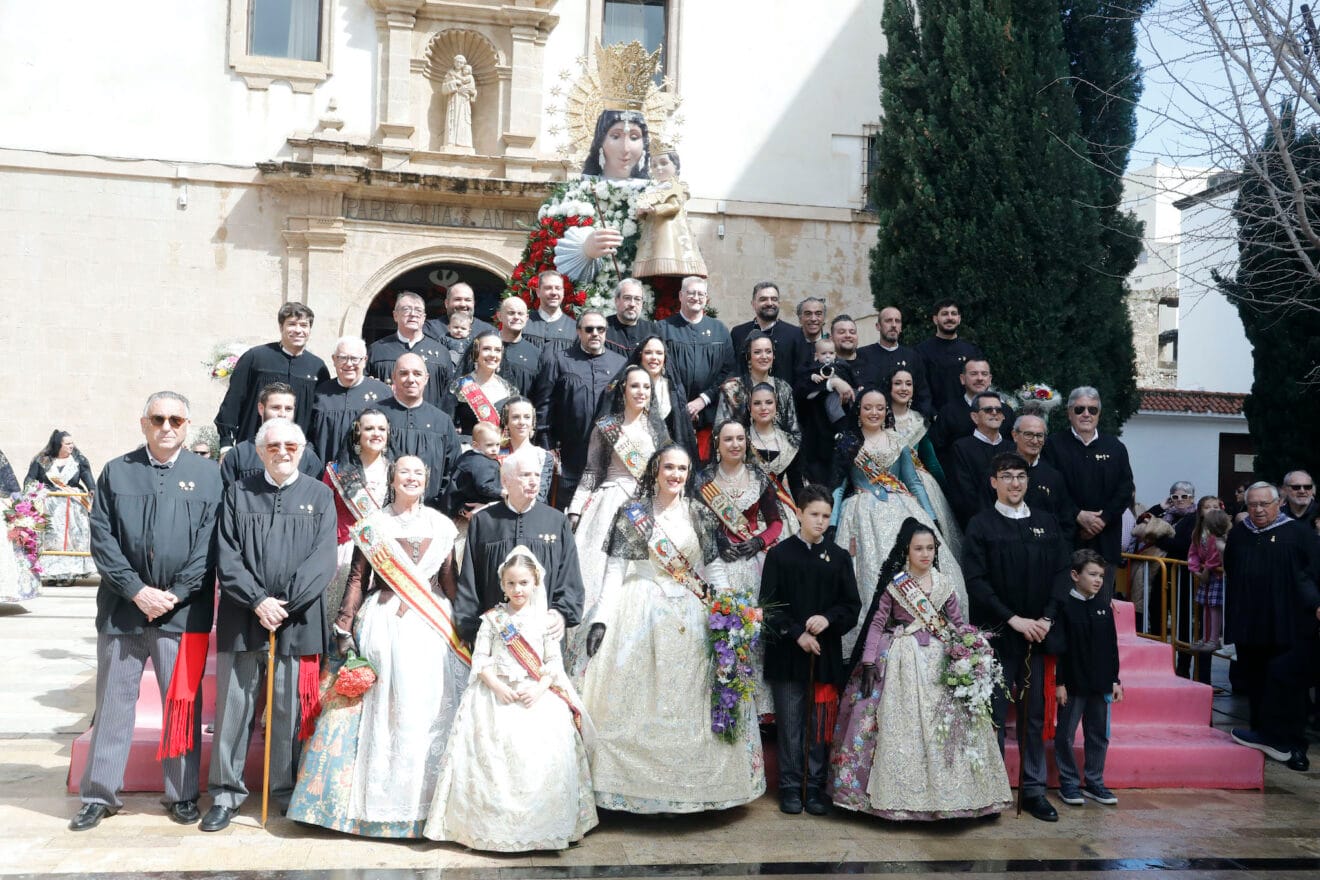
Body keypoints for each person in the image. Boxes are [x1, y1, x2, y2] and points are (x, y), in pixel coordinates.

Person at [288, 455, 468, 838]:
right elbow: (358, 577)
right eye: (404, 471)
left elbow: (450, 580)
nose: (412, 477)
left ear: (428, 479)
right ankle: (378, 806)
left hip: (433, 623)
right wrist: (344, 623)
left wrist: (466, 624)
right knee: (387, 708)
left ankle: (431, 806)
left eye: (419, 472)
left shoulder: (440, 524)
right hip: (385, 623)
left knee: (431, 706)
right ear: (392, 477)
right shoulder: (374, 526)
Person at [581, 444, 766, 812]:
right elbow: (616, 570)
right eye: (669, 467)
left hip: (690, 612)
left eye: (682, 468)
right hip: (640, 608)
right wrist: (601, 617)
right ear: (656, 470)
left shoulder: (699, 512)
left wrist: (730, 610)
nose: (676, 475)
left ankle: (698, 789)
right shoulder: (633, 513)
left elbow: (714, 572)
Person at [69, 392, 222, 832]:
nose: (166, 426)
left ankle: (182, 794)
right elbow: (102, 540)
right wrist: (137, 590)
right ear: (143, 423)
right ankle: (99, 795)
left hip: (184, 615)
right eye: (158, 418)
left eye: (175, 419)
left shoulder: (209, 476)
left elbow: (209, 546)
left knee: (182, 707)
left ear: (187, 424)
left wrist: (173, 593)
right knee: (114, 705)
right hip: (122, 612)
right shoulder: (117, 471)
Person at [203, 418, 337, 832]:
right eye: (273, 446)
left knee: (287, 710)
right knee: (234, 709)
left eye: (291, 446)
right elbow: (227, 554)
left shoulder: (319, 496)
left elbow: (323, 559)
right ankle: (225, 795)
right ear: (259, 451)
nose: (283, 452)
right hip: (244, 618)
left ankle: (284, 792)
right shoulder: (238, 493)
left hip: (296, 621)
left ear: (302, 451)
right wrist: (259, 600)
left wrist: (286, 603)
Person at [830, 518, 1011, 821]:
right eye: (918, 549)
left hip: (939, 660)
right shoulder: (897, 584)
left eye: (930, 548)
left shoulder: (943, 584)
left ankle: (961, 797)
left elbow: (956, 623)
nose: (925, 554)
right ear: (908, 551)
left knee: (947, 727)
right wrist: (869, 660)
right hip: (902, 658)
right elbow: (877, 623)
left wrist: (973, 650)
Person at [424, 547, 597, 851]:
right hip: (495, 696)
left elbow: (554, 664)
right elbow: (480, 660)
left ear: (535, 583)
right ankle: (487, 830)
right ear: (502, 585)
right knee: (493, 762)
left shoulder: (544, 621)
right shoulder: (492, 620)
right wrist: (496, 686)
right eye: (511, 583)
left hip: (535, 696)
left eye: (524, 583)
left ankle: (542, 829)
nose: (518, 590)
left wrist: (540, 687)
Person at [962, 452, 1072, 822]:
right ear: (993, 481)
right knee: (992, 715)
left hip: (1038, 636)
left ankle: (1035, 790)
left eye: (1020, 476)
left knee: (1035, 717)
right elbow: (976, 583)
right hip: (997, 638)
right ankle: (989, 791)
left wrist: (1046, 617)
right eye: (1006, 476)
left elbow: (1061, 572)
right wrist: (1013, 619)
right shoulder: (981, 525)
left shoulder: (1046, 522)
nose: (1015, 483)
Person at [831, 388, 966, 656]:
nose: (874, 412)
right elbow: (838, 485)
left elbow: (913, 482)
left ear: (886, 411)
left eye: (879, 408)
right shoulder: (847, 442)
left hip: (903, 511)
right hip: (861, 513)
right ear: (858, 410)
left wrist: (933, 518)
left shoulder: (897, 440)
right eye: (868, 407)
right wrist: (832, 524)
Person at [563, 365, 668, 680]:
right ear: (623, 390)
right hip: (608, 504)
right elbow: (592, 471)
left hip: (645, 510)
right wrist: (575, 510)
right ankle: (582, 666)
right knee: (597, 579)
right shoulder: (606, 427)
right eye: (634, 386)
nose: (640, 392)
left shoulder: (658, 431)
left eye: (646, 387)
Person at [761, 485, 860, 815]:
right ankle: (790, 786)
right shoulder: (779, 555)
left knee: (819, 725)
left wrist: (827, 618)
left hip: (824, 656)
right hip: (788, 655)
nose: (820, 521)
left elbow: (851, 606)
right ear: (799, 514)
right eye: (814, 514)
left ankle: (814, 786)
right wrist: (796, 632)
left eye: (826, 516)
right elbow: (769, 607)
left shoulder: (839, 558)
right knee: (790, 724)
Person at [1226, 482, 1320, 771]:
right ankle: (1263, 737)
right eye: (1252, 504)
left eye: (1264, 504)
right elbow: (1231, 567)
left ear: (1278, 503)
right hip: (1252, 625)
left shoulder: (1298, 533)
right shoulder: (1241, 533)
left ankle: (1292, 745)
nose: (1258, 510)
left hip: (1290, 624)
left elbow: (1312, 573)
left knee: (1288, 683)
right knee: (1256, 681)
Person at [696, 420, 786, 715]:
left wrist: (759, 543)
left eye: (740, 439)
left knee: (751, 629)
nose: (735, 444)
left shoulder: (759, 478)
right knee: (717, 631)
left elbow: (776, 522)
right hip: (714, 563)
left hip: (750, 565)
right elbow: (694, 518)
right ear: (717, 445)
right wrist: (716, 539)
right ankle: (721, 697)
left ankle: (755, 707)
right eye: (728, 439)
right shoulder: (703, 479)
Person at [453, 448, 584, 645]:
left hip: (543, 637)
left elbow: (569, 577)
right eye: (525, 475)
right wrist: (470, 629)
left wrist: (561, 613)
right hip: (494, 637)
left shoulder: (557, 522)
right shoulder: (484, 522)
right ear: (505, 481)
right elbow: (470, 581)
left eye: (537, 475)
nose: (533, 481)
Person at [530, 310, 626, 509]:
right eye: (589, 329)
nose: (595, 333)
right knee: (565, 509)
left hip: (608, 456)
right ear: (578, 332)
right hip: (569, 455)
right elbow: (544, 406)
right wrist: (547, 446)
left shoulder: (619, 363)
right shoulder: (559, 360)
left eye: (600, 329)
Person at [1042, 387, 1135, 589]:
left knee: (1100, 606)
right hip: (1066, 541)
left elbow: (1125, 488)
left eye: (1092, 410)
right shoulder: (1053, 445)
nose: (1086, 414)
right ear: (1069, 413)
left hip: (1105, 542)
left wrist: (1103, 519)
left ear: (1099, 414)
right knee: (1064, 603)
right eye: (1080, 409)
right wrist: (1077, 515)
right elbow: (1050, 488)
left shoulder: (1115, 447)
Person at [1054, 550, 1123, 808]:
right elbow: (1059, 649)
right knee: (1066, 735)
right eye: (1092, 574)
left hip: (1101, 682)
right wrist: (1059, 682)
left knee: (1098, 734)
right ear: (1075, 575)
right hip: (1072, 683)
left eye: (1101, 576)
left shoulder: (1103, 606)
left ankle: (1095, 781)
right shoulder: (1064, 606)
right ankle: (1069, 782)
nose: (1098, 580)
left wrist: (1115, 680)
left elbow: (1112, 647)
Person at [215, 302, 329, 449]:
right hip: (253, 446)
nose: (298, 330)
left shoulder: (317, 367)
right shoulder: (255, 358)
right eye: (292, 324)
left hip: (296, 452)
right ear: (281, 327)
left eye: (303, 325)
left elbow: (319, 415)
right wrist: (226, 443)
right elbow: (234, 400)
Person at [323, 408, 391, 623]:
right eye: (369, 428)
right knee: (338, 615)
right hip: (343, 552)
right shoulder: (336, 470)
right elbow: (323, 514)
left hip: (383, 552)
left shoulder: (397, 470)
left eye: (381, 429)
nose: (376, 433)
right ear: (357, 433)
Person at [888, 369, 961, 559]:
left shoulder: (919, 420)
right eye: (898, 383)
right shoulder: (878, 416)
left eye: (908, 384)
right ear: (889, 387)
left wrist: (948, 491)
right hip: (889, 483)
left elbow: (930, 460)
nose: (903, 388)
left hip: (922, 484)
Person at [659, 276, 736, 454]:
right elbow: (658, 370)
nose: (696, 297)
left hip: (709, 414)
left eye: (701, 294)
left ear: (706, 298)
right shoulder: (664, 328)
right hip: (672, 414)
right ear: (680, 295)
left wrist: (703, 399)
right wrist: (680, 404)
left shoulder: (720, 330)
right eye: (691, 293)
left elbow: (729, 370)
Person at [377, 353, 462, 508]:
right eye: (403, 373)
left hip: (429, 512)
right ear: (393, 377)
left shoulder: (442, 422)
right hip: (380, 511)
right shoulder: (374, 416)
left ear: (426, 378)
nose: (411, 379)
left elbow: (453, 470)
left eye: (417, 374)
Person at [714, 330, 801, 455]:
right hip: (739, 457)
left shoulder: (783, 388)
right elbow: (720, 430)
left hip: (780, 458)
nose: (764, 356)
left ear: (774, 355)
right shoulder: (732, 388)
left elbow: (793, 430)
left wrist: (781, 459)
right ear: (748, 356)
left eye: (768, 351)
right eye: (757, 352)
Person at [27, 429, 97, 583]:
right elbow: (30, 480)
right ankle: (51, 573)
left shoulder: (79, 460)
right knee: (52, 539)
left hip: (73, 507)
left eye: (72, 443)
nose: (72, 446)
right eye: (68, 443)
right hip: (49, 507)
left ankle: (69, 573)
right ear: (58, 445)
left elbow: (88, 478)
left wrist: (92, 489)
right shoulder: (42, 460)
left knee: (72, 540)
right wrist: (32, 493)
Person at [220, 383, 324, 486]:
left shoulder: (307, 458)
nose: (282, 414)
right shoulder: (239, 455)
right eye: (276, 408)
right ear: (261, 409)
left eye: (288, 409)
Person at [309, 337, 392, 466]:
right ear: (334, 360)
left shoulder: (383, 394)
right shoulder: (320, 393)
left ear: (364, 361)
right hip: (325, 475)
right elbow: (310, 437)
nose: (349, 364)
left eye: (354, 358)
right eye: (342, 358)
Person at [366, 292, 454, 409]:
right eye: (406, 309)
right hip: (387, 422)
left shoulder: (441, 353)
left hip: (429, 423)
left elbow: (449, 397)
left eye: (418, 310)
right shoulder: (377, 351)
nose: (413, 314)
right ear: (395, 315)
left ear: (423, 318)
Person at [632, 147, 708, 280]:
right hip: (653, 234)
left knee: (670, 255)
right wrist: (642, 212)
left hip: (671, 232)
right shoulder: (651, 190)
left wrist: (656, 210)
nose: (658, 168)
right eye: (654, 165)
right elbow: (646, 212)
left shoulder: (677, 186)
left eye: (663, 163)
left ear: (675, 165)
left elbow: (675, 206)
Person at [795, 328, 857, 487]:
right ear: (816, 356)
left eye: (831, 353)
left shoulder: (843, 368)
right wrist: (828, 382)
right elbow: (803, 391)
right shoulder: (809, 371)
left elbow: (854, 389)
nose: (828, 356)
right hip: (818, 440)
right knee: (822, 484)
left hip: (843, 430)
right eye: (824, 354)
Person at [622, 334, 698, 462]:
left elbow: (681, 427)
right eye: (648, 352)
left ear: (665, 358)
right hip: (634, 456)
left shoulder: (673, 387)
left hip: (667, 459)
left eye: (659, 353)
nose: (654, 358)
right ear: (640, 355)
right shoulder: (627, 386)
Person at [928, 359, 1014, 462]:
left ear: (990, 379)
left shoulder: (1006, 411)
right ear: (962, 379)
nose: (980, 378)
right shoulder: (948, 411)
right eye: (973, 374)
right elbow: (937, 449)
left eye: (984, 374)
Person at [440, 331, 519, 442]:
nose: (492, 354)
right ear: (475, 353)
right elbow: (445, 427)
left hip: (502, 453)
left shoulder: (509, 389)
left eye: (497, 350)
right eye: (486, 349)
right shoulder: (459, 386)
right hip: (469, 451)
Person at [947, 391, 1010, 528]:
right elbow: (964, 496)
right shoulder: (961, 448)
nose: (994, 413)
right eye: (988, 410)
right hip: (980, 526)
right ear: (975, 417)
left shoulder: (1012, 448)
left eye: (999, 410)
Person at [855, 306, 932, 416]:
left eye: (897, 321)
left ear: (901, 327)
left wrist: (921, 417)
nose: (894, 325)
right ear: (878, 326)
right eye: (888, 321)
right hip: (872, 420)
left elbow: (923, 392)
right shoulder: (863, 355)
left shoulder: (913, 357)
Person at [1011, 411, 1076, 540]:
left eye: (1040, 436)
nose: (1035, 441)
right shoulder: (999, 472)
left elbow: (1066, 522)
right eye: (1028, 434)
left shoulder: (1054, 477)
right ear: (1015, 435)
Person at [730, 282, 811, 386]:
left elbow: (802, 374)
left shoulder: (795, 334)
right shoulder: (738, 333)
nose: (769, 303)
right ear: (753, 304)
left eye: (774, 299)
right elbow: (733, 369)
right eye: (763, 299)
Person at [747, 381, 805, 520]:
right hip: (746, 511)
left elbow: (796, 483)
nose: (763, 408)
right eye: (757, 403)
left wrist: (803, 514)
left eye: (768, 402)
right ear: (749, 407)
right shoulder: (739, 438)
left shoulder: (789, 442)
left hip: (781, 513)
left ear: (776, 405)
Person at [915, 299, 984, 411]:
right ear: (935, 319)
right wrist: (932, 414)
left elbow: (979, 385)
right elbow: (920, 389)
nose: (950, 318)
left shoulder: (972, 351)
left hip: (969, 415)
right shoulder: (921, 351)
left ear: (959, 319)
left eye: (954, 314)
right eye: (944, 314)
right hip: (936, 418)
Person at [1188, 502, 1231, 651]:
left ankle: (1214, 639)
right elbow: (1193, 552)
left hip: (1217, 576)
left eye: (1215, 506)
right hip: (1207, 575)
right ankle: (1206, 637)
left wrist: (1207, 569)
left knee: (1214, 607)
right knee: (1206, 605)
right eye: (1207, 507)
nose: (1212, 509)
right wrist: (1194, 569)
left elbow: (1216, 555)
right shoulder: (1198, 532)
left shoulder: (1220, 533)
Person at [442, 421, 504, 523]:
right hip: (471, 508)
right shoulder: (484, 463)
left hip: (455, 505)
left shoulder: (468, 455)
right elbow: (484, 487)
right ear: (476, 445)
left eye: (497, 445)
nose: (495, 449)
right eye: (489, 445)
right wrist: (502, 492)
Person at [501, 396, 555, 504]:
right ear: (506, 422)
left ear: (533, 422)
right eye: (515, 417)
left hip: (532, 516)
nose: (522, 422)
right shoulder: (495, 452)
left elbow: (539, 497)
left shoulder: (543, 456)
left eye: (527, 417)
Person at [522, 271, 578, 354]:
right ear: (538, 292)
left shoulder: (574, 329)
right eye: (548, 288)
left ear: (563, 292)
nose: (554, 293)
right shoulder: (524, 324)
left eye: (558, 288)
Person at [423, 281, 497, 345]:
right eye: (457, 299)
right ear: (446, 303)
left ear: (474, 303)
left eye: (468, 300)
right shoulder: (430, 329)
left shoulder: (488, 331)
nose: (463, 304)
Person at [495, 295, 541, 395]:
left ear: (526, 318)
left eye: (520, 314)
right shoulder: (483, 346)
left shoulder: (536, 355)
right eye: (511, 313)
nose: (516, 317)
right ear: (499, 316)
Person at [604, 278, 658, 356]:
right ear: (616, 300)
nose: (632, 304)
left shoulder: (653, 331)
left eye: (637, 299)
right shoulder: (602, 329)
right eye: (627, 298)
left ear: (642, 303)